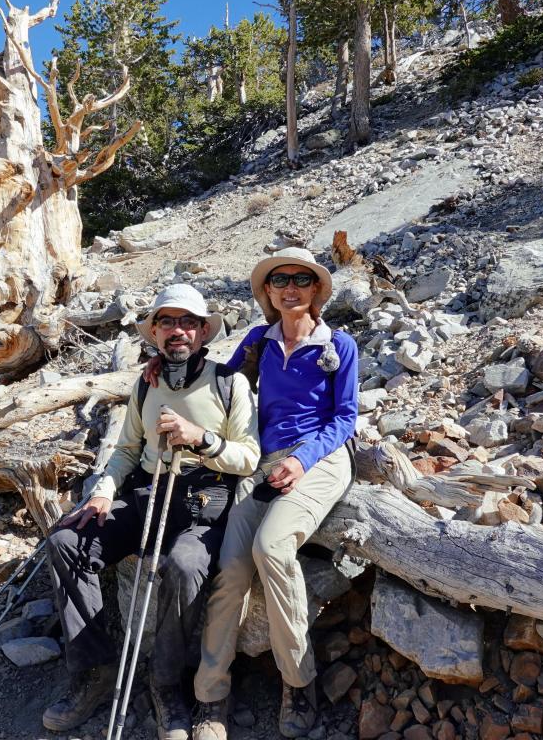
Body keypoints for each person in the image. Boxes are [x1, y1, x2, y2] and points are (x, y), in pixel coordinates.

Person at [42, 284, 260, 740]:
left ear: (202, 331)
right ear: (155, 333)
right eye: (167, 322)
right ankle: (95, 670)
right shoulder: (147, 383)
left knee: (185, 564)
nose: (177, 331)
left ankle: (167, 686)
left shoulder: (230, 382)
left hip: (204, 501)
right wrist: (102, 492)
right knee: (66, 542)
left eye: (187, 322)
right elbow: (125, 451)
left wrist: (200, 439)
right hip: (149, 494)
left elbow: (248, 457)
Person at [191, 247, 359, 740]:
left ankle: (298, 681)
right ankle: (210, 695)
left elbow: (345, 417)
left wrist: (302, 460)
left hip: (320, 457)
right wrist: (163, 369)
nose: (290, 287)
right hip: (263, 460)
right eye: (279, 279)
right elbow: (222, 387)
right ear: (267, 291)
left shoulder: (339, 345)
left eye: (301, 280)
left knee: (271, 547)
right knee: (231, 566)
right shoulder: (259, 342)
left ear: (315, 290)